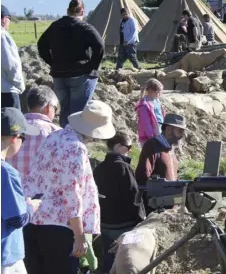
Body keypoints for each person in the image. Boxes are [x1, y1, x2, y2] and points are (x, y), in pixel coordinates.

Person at [23, 100, 115, 274]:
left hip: (35, 218)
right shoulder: (76, 148)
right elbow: (71, 193)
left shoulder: (55, 136)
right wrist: (79, 235)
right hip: (58, 227)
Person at [37, 0, 105, 128]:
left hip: (59, 75)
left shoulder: (55, 26)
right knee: (78, 114)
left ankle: (63, 139)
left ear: (67, 10)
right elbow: (100, 46)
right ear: (82, 11)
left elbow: (41, 45)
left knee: (65, 111)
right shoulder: (84, 27)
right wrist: (92, 66)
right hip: (80, 74)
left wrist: (52, 62)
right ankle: (74, 142)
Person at [93, 131, 145, 274]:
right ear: (117, 146)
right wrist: (141, 220)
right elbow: (133, 197)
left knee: (108, 263)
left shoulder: (98, 169)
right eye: (128, 147)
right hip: (123, 226)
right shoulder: (124, 167)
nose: (130, 151)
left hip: (104, 224)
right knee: (125, 262)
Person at [1, 107, 41, 274]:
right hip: (6, 255)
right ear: (14, 137)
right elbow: (17, 219)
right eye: (23, 138)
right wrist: (31, 206)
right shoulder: (6, 172)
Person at [135, 114, 187, 214]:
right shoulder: (152, 146)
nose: (182, 135)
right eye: (180, 130)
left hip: (170, 208)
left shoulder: (170, 150)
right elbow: (143, 176)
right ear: (168, 129)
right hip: (155, 209)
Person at [8, 86, 61, 181]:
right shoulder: (59, 134)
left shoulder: (9, 129)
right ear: (49, 107)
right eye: (56, 109)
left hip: (10, 192)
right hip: (43, 193)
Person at [1, 5, 25, 110]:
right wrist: (20, 85)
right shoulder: (2, 35)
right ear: (3, 19)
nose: (9, 21)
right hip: (7, 91)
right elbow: (10, 65)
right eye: (9, 18)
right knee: (13, 125)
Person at [135, 78, 166, 147]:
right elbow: (145, 123)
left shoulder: (157, 101)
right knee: (149, 155)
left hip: (159, 132)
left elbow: (161, 114)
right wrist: (151, 137)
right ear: (151, 91)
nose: (159, 94)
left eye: (160, 92)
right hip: (148, 137)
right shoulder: (144, 105)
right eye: (158, 92)